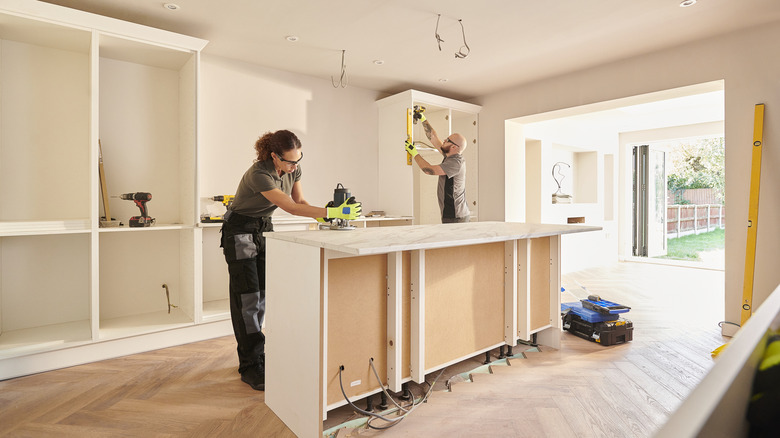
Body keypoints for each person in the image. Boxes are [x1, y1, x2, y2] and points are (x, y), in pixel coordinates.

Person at [220, 130, 361, 391]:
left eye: (298, 160)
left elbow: (301, 201)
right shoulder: (259, 174)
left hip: (264, 228)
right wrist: (334, 211)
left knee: (262, 295)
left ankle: (258, 355)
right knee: (247, 299)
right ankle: (249, 366)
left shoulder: (293, 170)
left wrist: (328, 215)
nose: (294, 166)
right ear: (274, 156)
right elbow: (291, 208)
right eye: (289, 161)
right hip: (239, 231)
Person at [404, 112, 470, 223]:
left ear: (454, 147)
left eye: (448, 140)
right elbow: (433, 137)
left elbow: (429, 170)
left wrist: (414, 153)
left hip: (456, 215)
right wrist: (423, 119)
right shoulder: (449, 155)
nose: (444, 140)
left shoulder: (455, 163)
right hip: (452, 214)